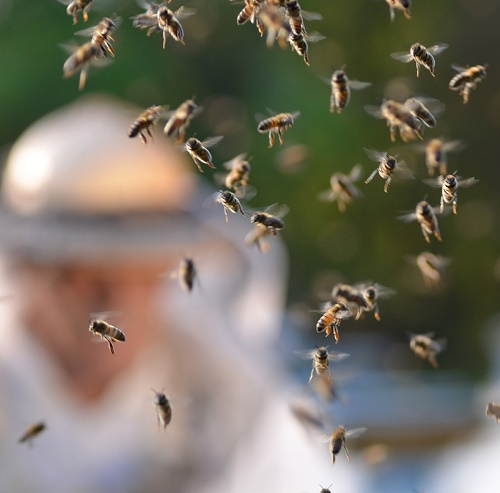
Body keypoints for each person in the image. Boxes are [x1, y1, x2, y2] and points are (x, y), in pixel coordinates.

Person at [0, 96, 359, 493]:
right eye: (77, 275)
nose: (111, 300)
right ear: (27, 269)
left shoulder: (231, 389)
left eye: (136, 273)